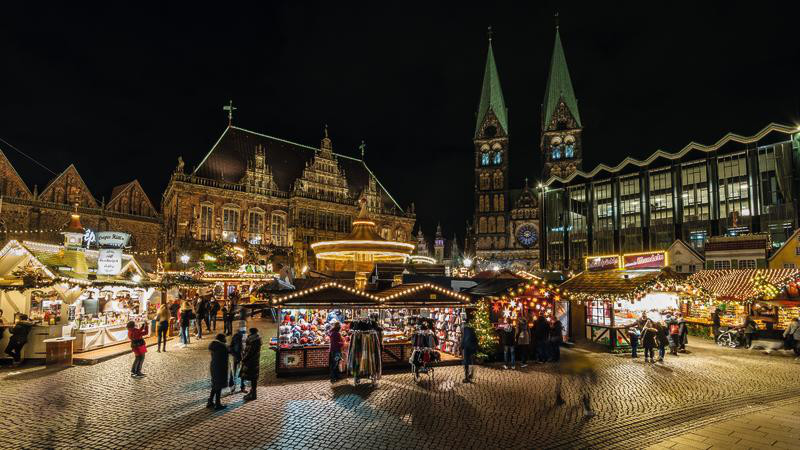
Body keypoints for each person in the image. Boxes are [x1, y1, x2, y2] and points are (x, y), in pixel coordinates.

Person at [555, 348, 598, 418]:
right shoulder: (577, 355)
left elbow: (568, 367)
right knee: (585, 391)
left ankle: (586, 408)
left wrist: (571, 377)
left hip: (579, 373)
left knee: (584, 391)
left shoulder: (571, 355)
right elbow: (590, 367)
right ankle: (587, 410)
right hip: (582, 373)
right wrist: (594, 378)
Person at [207, 334, 229, 410]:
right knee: (218, 385)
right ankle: (217, 403)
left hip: (214, 366)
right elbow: (231, 351)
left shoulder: (214, 345)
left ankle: (210, 401)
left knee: (215, 384)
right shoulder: (222, 347)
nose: (226, 339)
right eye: (225, 338)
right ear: (222, 339)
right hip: (220, 367)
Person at [241, 328, 262, 401]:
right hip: (254, 361)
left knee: (253, 378)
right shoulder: (255, 339)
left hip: (251, 361)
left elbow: (250, 352)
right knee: (253, 377)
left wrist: (244, 359)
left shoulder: (253, 340)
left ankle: (253, 394)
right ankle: (252, 392)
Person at [460, 311, 478, 383]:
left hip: (467, 347)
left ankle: (466, 377)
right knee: (471, 361)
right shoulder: (472, 329)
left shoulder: (465, 330)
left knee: (466, 362)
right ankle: (471, 374)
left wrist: (461, 346)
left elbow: (464, 339)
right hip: (472, 347)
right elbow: (475, 339)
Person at [228, 325, 247, 394]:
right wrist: (236, 355)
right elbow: (231, 347)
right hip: (236, 358)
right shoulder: (236, 338)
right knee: (233, 373)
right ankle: (233, 387)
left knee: (243, 373)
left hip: (241, 358)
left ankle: (242, 387)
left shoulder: (244, 338)